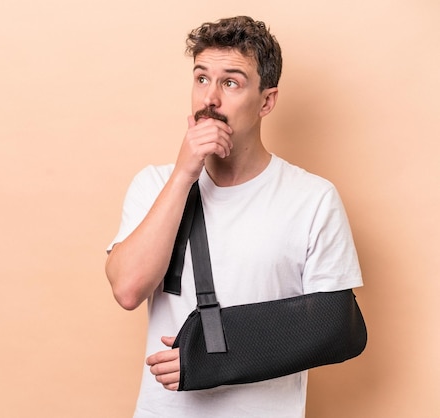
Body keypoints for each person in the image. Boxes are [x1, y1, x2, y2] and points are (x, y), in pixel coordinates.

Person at [105, 16, 363, 418]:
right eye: (201, 78)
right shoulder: (154, 184)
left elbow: (335, 328)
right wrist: (184, 175)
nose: (210, 98)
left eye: (231, 82)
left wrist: (212, 353)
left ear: (266, 101)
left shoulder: (312, 199)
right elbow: (127, 290)